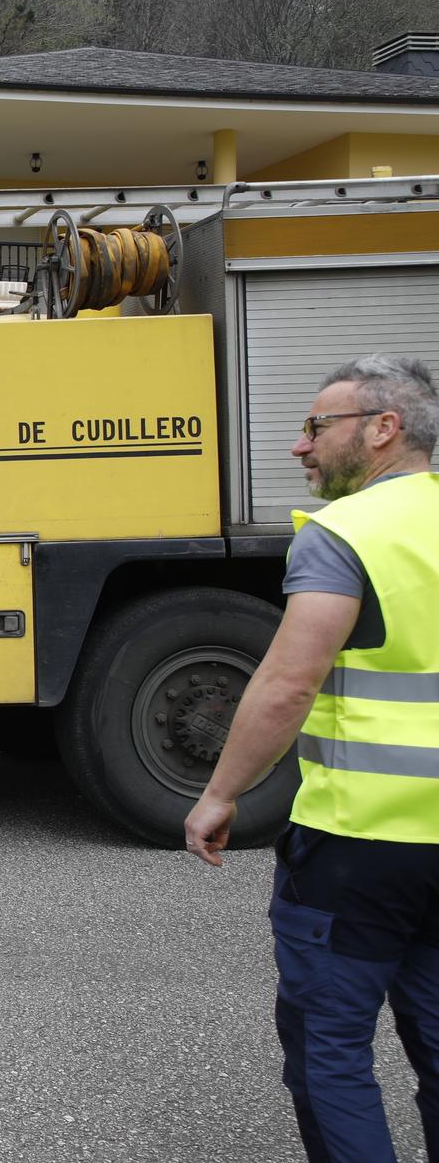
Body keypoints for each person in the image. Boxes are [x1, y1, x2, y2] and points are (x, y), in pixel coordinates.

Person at [185, 354, 439, 1161]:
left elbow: (289, 682)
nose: (301, 446)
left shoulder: (346, 534)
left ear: (383, 428)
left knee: (330, 1050)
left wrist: (220, 792)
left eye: (316, 426)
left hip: (359, 845)